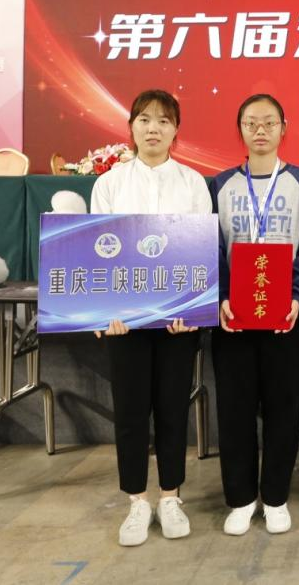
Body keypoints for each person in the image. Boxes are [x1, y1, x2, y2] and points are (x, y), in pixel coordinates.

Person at [90, 89, 212, 547]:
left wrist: (191, 311)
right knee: (130, 411)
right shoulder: (110, 184)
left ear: (176, 130)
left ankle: (171, 497)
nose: (153, 128)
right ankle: (137, 501)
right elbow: (96, 252)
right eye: (144, 119)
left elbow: (200, 251)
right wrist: (106, 312)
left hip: (177, 323)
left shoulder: (193, 183)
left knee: (173, 408)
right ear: (131, 128)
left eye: (163, 120)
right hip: (125, 322)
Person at [211, 93, 299, 536]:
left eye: (269, 122)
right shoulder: (221, 184)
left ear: (283, 128)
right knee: (235, 410)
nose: (260, 130)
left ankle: (275, 497)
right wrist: (221, 296)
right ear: (240, 129)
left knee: (283, 408)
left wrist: (297, 296)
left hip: (284, 316)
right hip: (233, 316)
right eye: (251, 122)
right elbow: (211, 246)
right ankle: (240, 499)